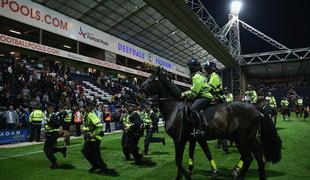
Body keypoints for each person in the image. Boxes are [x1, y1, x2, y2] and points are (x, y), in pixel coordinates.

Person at [181, 59, 213, 137]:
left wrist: (185, 93)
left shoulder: (197, 76)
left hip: (204, 96)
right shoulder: (199, 75)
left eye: (190, 67)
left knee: (193, 109)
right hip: (204, 96)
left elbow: (194, 93)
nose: (189, 69)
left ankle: (200, 130)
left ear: (194, 67)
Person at [82, 101, 115, 174]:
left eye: (87, 106)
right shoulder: (87, 114)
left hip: (94, 139)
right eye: (85, 106)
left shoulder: (91, 115)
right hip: (89, 138)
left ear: (90, 107)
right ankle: (96, 165)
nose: (85, 107)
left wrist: (93, 134)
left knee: (96, 154)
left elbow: (99, 125)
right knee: (86, 151)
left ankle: (103, 168)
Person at [43, 103, 67, 169]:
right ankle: (62, 150)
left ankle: (54, 163)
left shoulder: (52, 115)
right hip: (50, 133)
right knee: (49, 149)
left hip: (52, 134)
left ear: (50, 108)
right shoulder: (48, 114)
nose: (46, 109)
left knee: (46, 149)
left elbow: (58, 124)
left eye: (48, 107)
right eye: (46, 107)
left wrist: (62, 117)